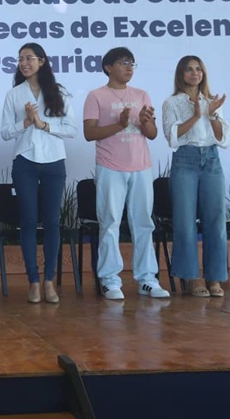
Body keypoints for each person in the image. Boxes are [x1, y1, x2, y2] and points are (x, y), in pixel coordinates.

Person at [83, 47, 170, 300]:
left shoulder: (141, 94)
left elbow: (152, 134)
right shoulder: (96, 96)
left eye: (132, 63)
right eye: (123, 63)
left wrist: (145, 121)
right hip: (110, 166)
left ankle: (147, 279)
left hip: (141, 167)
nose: (129, 67)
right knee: (109, 222)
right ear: (108, 67)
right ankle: (110, 280)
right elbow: (89, 133)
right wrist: (119, 125)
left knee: (143, 223)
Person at [0, 43, 76, 304]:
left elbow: (71, 129)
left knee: (52, 221)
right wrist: (26, 122)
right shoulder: (14, 94)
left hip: (54, 162)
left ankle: (49, 281)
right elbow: (5, 132)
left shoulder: (59, 92)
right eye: (20, 59)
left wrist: (43, 124)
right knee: (29, 221)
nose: (24, 63)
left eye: (29, 58)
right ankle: (33, 280)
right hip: (25, 163)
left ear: (42, 61)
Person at [161, 56, 229, 297]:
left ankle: (215, 278)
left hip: (211, 159)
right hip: (185, 160)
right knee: (185, 221)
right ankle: (191, 278)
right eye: (189, 70)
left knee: (215, 220)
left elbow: (222, 139)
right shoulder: (171, 102)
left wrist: (212, 114)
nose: (194, 73)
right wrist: (196, 116)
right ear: (181, 74)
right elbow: (172, 137)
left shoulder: (211, 101)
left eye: (198, 69)